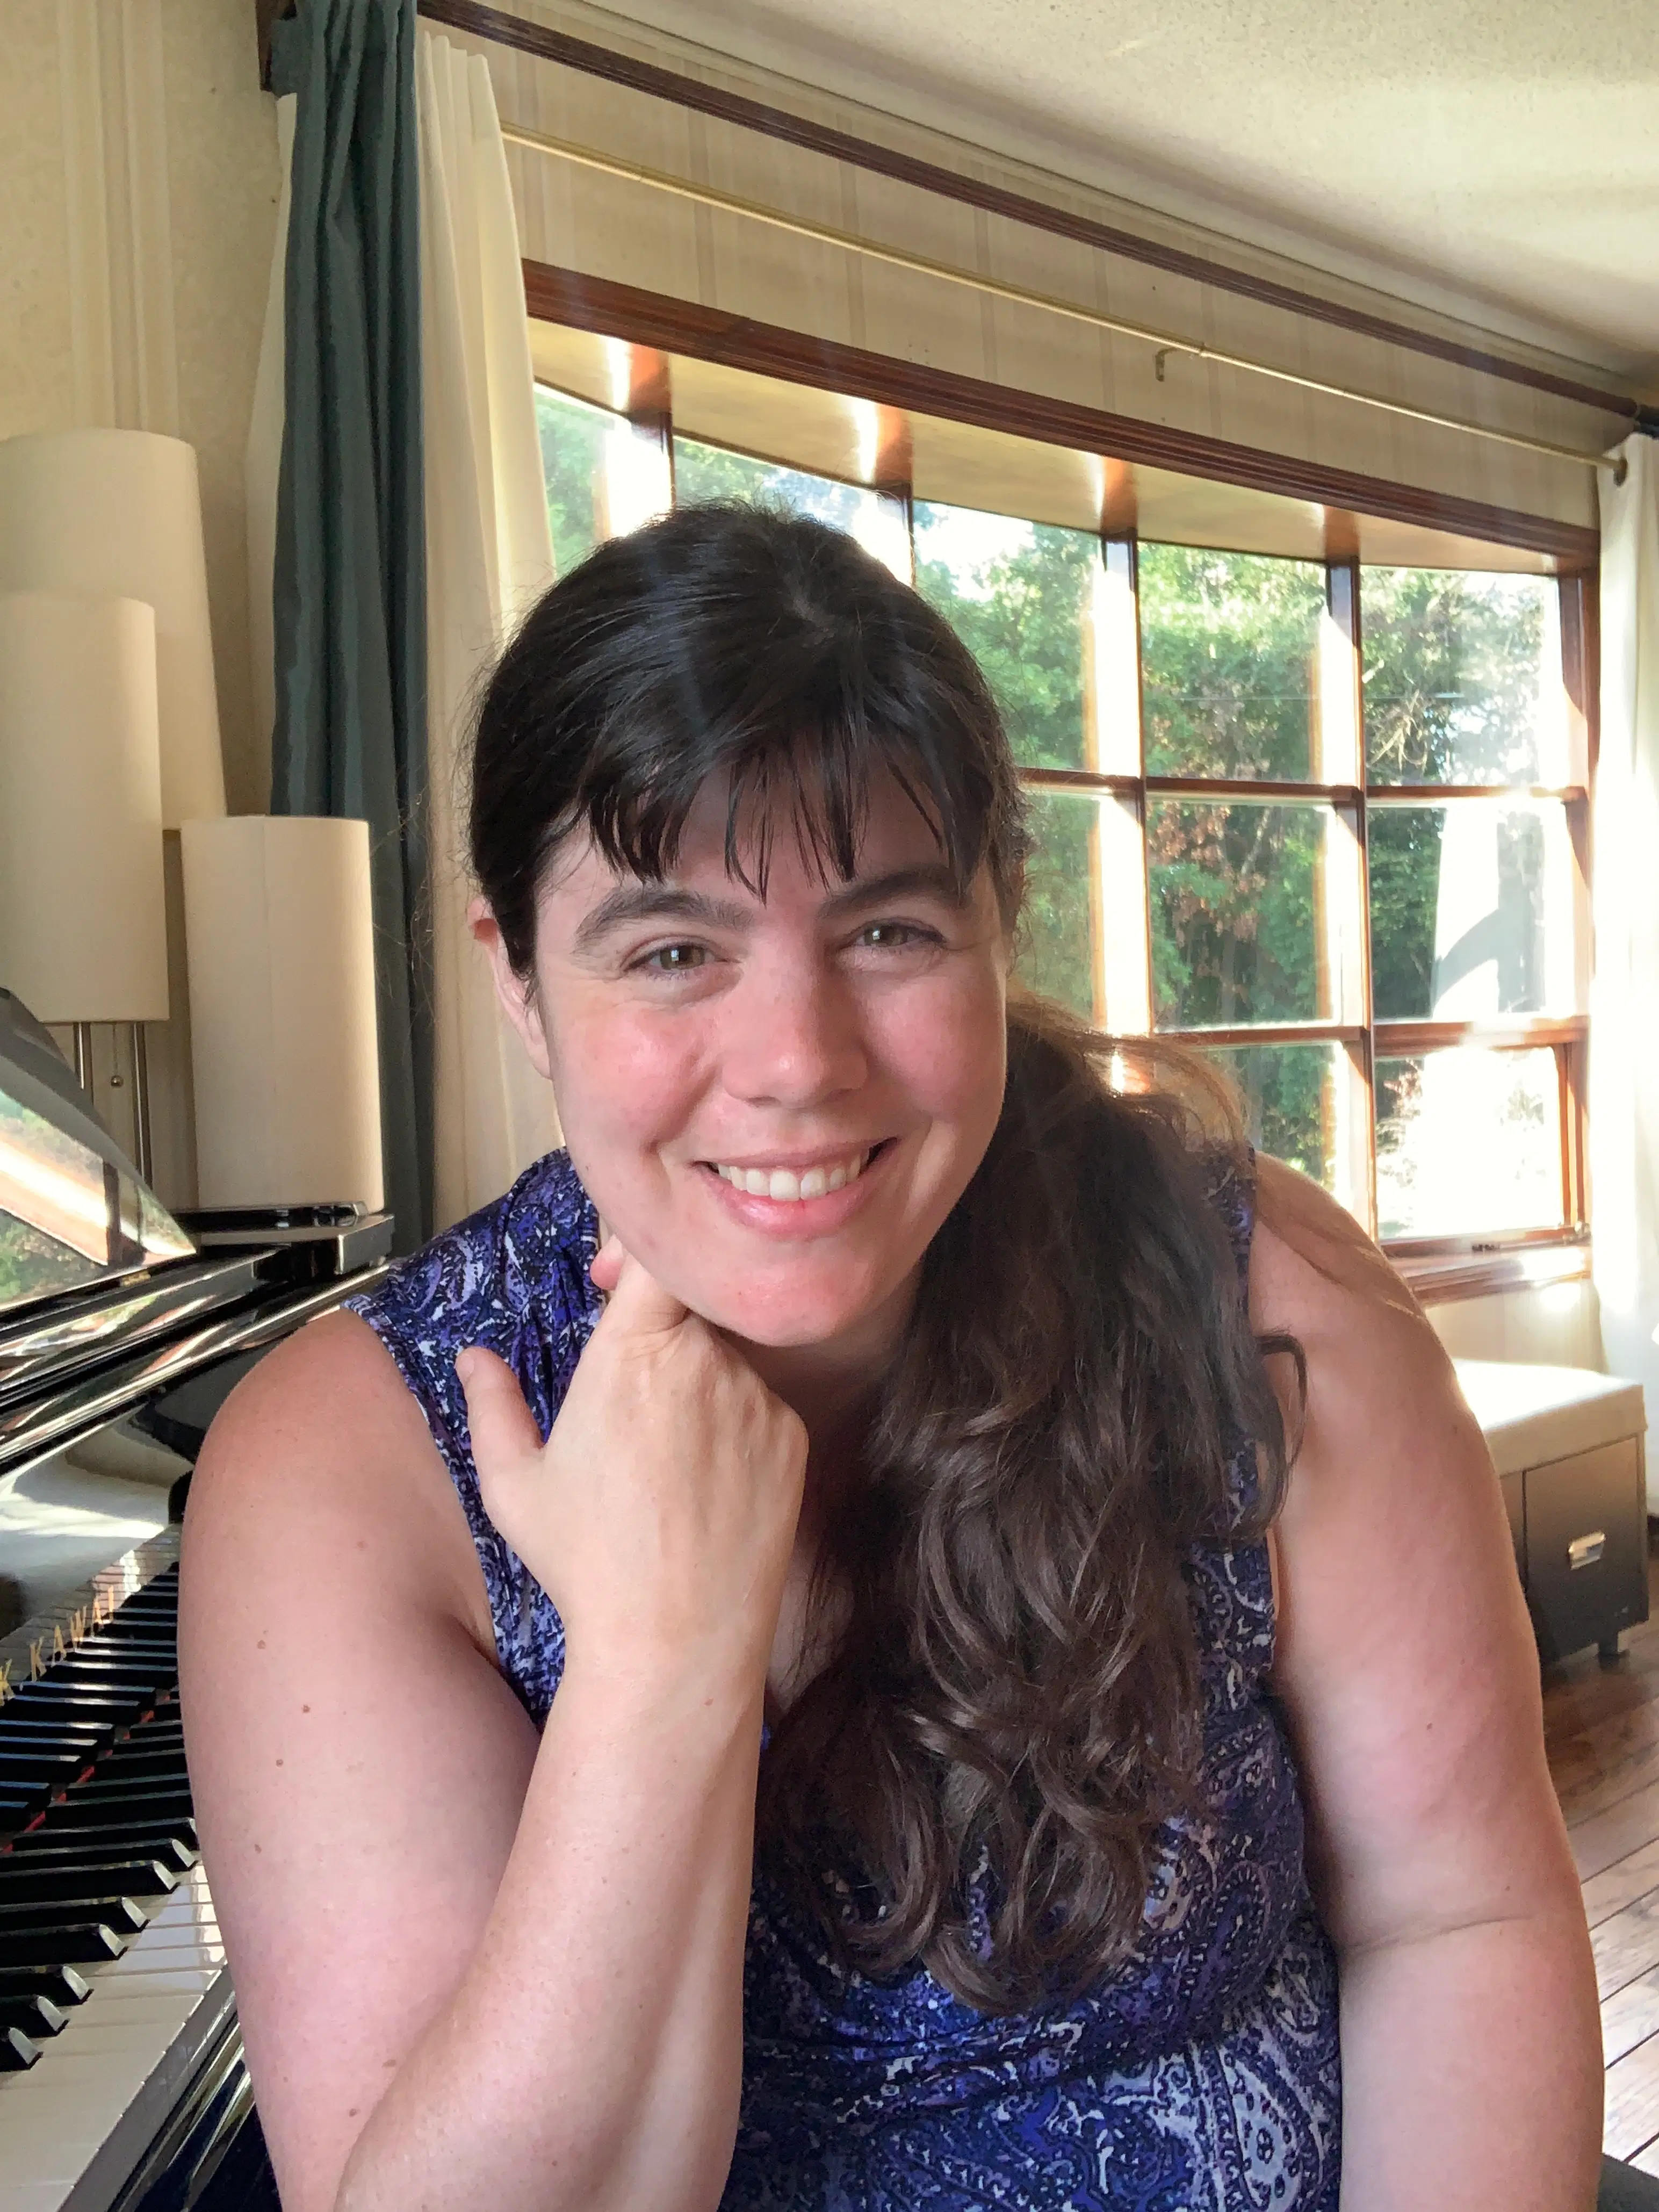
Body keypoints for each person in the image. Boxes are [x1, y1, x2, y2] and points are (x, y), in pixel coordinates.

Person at [180, 504, 1600, 2212]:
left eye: (887, 932)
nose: (796, 1060)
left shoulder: (1253, 1298)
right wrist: (656, 1662)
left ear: (1002, 917)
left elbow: (1460, 1915)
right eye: (674, 949)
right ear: (519, 979)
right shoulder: (353, 1465)